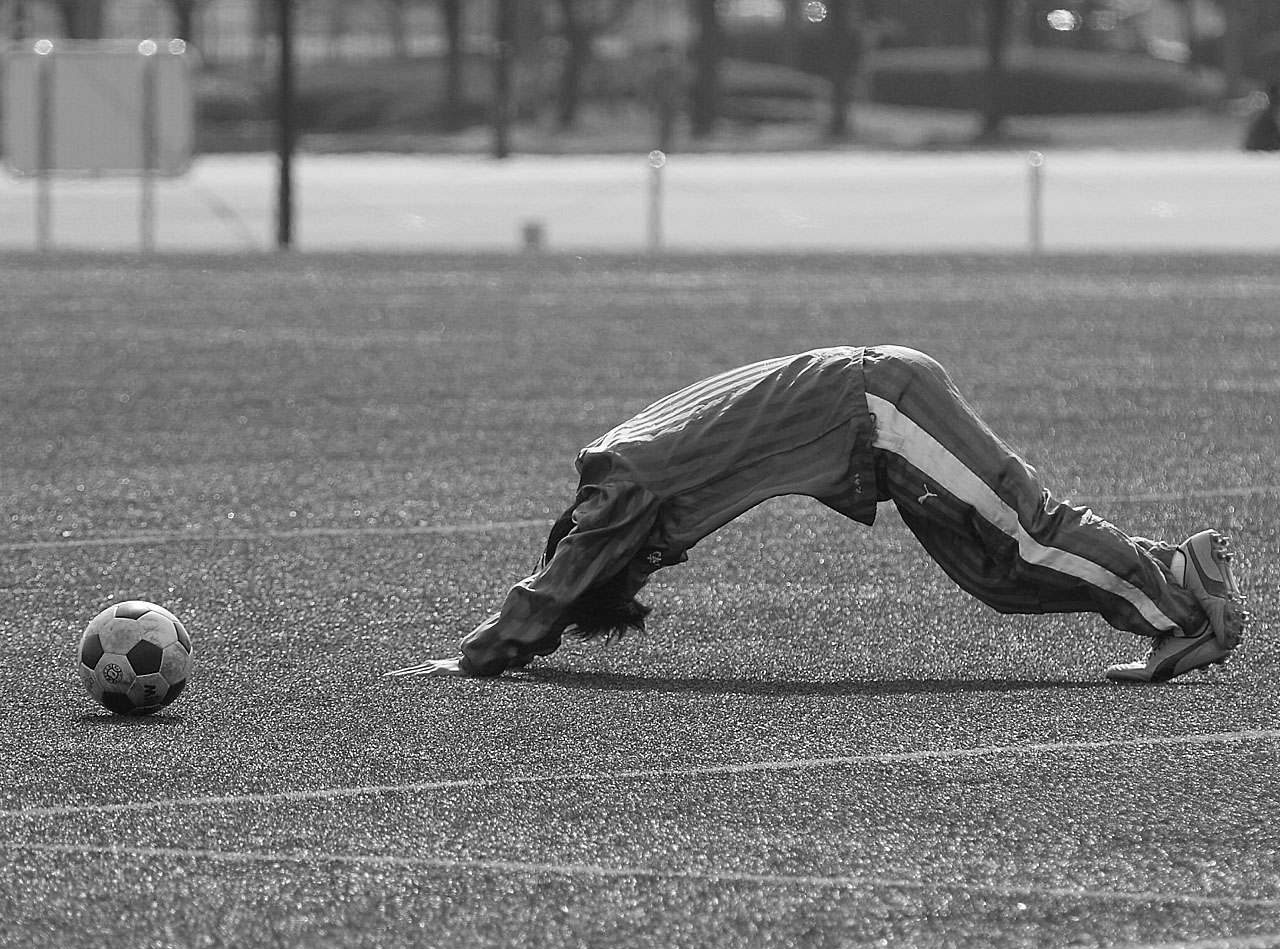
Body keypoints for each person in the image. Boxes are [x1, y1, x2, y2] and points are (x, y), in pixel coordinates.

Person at [389, 346, 1247, 685]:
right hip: (873, 419)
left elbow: (558, 580)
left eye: (637, 570)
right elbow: (575, 568)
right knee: (998, 571)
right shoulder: (621, 457)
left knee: (1025, 531)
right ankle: (1179, 571)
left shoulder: (617, 483)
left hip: (882, 403)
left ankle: (1185, 611)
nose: (652, 566)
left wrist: (480, 656)